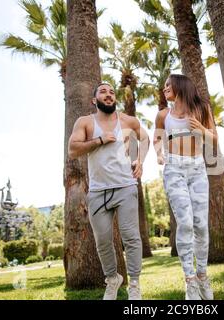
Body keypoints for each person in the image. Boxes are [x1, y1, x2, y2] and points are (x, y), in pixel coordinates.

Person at [68, 83, 149, 300]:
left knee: (131, 237)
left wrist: (140, 160)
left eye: (112, 92)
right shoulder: (85, 122)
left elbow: (145, 138)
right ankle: (113, 279)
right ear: (94, 100)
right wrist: (99, 140)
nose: (109, 94)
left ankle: (134, 284)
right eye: (103, 92)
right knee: (102, 241)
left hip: (125, 186)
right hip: (98, 191)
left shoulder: (128, 121)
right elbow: (73, 150)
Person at [153, 74, 216, 300]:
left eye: (168, 84)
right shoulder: (163, 115)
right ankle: (189, 280)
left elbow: (214, 139)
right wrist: (160, 154)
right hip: (174, 170)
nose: (165, 88)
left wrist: (200, 128)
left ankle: (202, 276)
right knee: (186, 222)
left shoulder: (201, 109)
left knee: (200, 225)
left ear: (180, 86)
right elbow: (157, 139)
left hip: (197, 169)